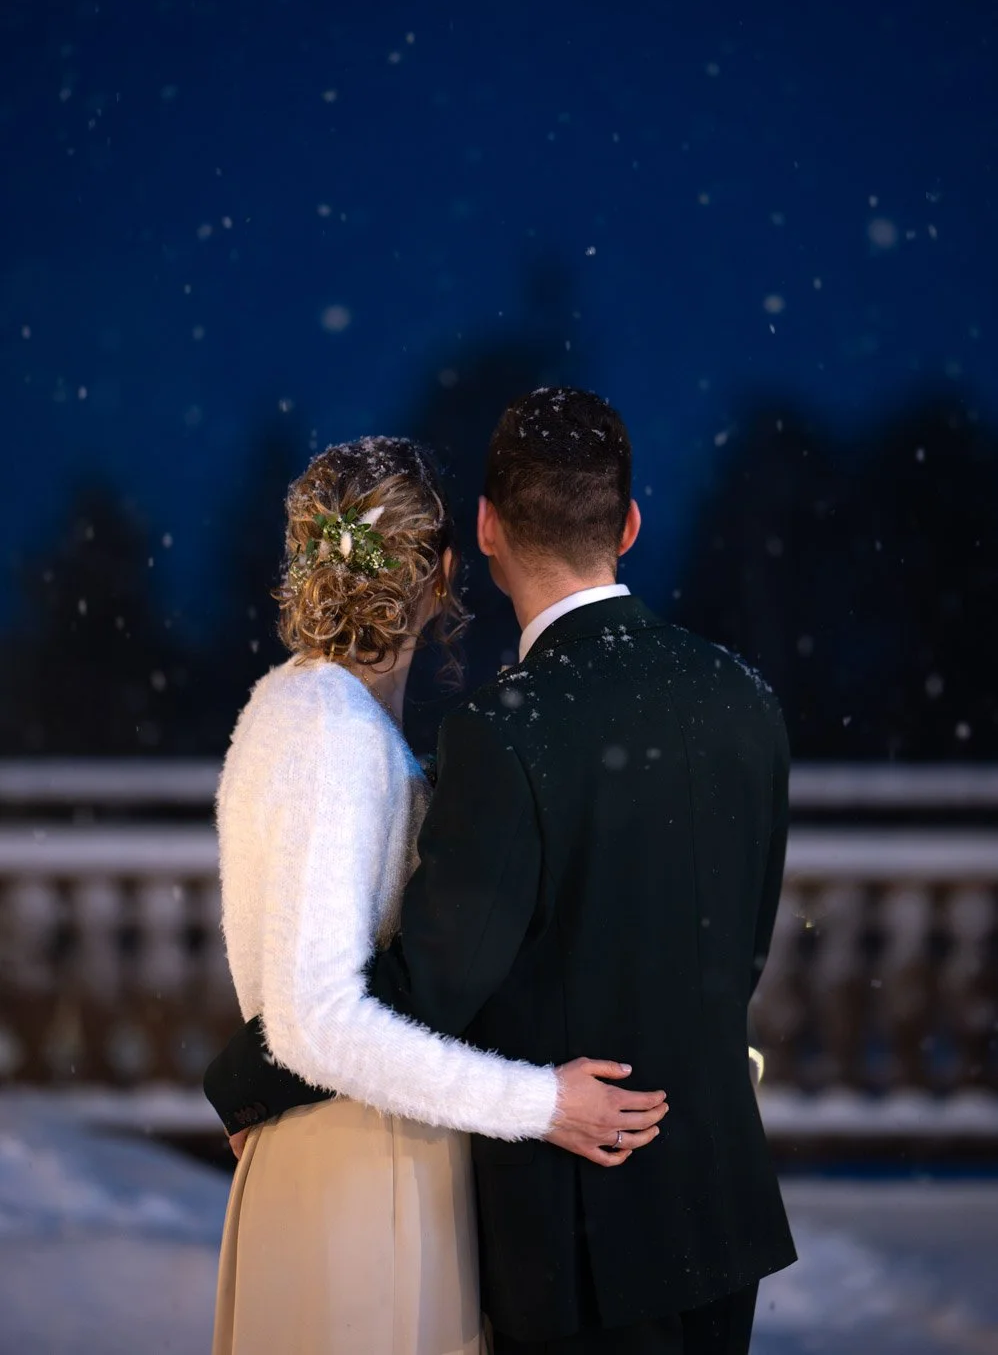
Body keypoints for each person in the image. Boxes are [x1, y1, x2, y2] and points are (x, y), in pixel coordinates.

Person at [208, 390, 797, 1353]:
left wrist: (247, 1078)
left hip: (578, 1232)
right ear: (631, 524)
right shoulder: (744, 695)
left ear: (484, 530)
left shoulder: (506, 726)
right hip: (718, 1201)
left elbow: (435, 979)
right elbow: (742, 948)